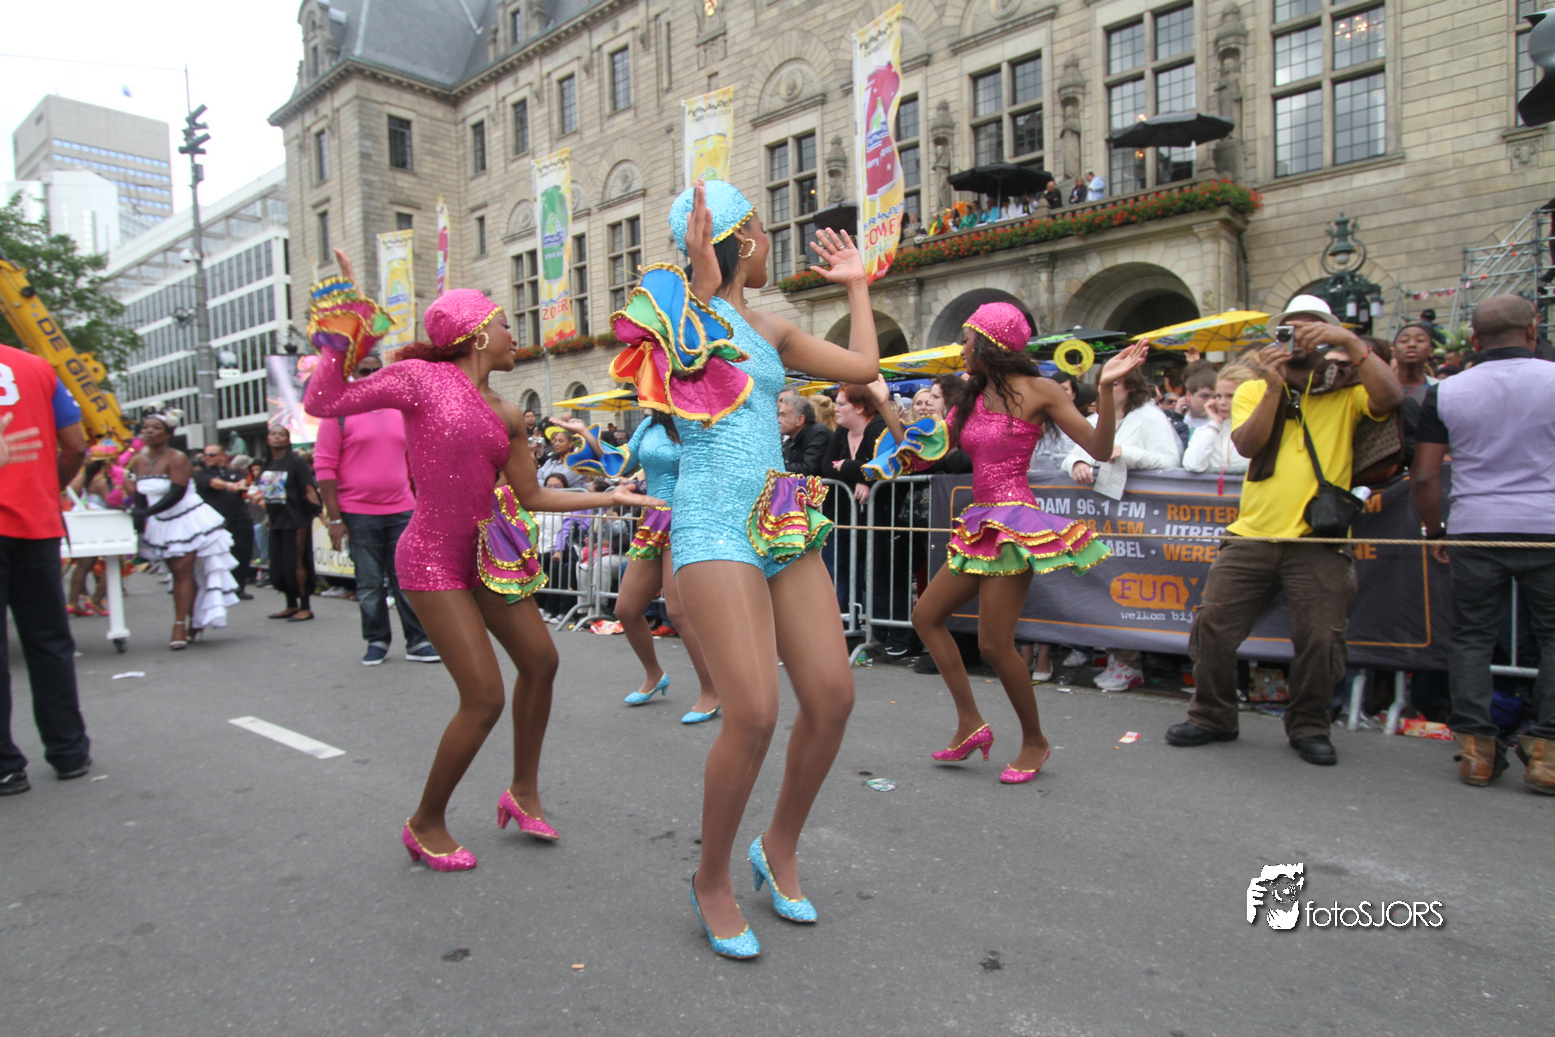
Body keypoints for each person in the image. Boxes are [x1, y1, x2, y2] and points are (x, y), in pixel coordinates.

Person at [304, 249, 657, 872]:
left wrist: (609, 496)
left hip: (487, 556)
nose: (513, 333)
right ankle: (425, 822)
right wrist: (344, 329)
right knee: (484, 697)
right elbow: (325, 401)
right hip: (431, 560)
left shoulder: (507, 411)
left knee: (542, 662)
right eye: (503, 322)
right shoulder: (420, 380)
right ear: (473, 332)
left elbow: (533, 495)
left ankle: (523, 792)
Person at [610, 179, 885, 959]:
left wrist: (857, 283)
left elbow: (864, 363)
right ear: (743, 241)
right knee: (755, 712)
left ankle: (779, 844)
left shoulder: (772, 326)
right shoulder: (677, 318)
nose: (772, 241)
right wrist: (699, 280)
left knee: (831, 696)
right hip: (710, 519)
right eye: (762, 229)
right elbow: (674, 357)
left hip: (777, 515)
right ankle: (711, 878)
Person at [908, 303, 1148, 782]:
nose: (961, 348)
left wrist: (1103, 388)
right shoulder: (970, 397)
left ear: (990, 343)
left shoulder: (1040, 390)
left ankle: (1035, 741)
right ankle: (970, 723)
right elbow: (924, 456)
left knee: (995, 643)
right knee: (926, 617)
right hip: (980, 524)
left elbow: (1100, 450)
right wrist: (883, 408)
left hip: (1015, 524)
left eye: (966, 339)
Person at [1165, 294, 1403, 765]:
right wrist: (1274, 387)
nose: (1298, 338)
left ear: (1327, 334)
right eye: (1289, 329)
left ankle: (1310, 726)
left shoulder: (1348, 386)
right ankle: (1212, 716)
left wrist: (1350, 342)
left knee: (1320, 639)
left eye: (1311, 328)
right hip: (1252, 533)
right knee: (1212, 627)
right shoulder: (1255, 387)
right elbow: (1248, 445)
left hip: (1318, 537)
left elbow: (1392, 398)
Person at [1411, 295, 1555, 792]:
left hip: (1475, 526)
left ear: (1473, 339)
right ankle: (1547, 753)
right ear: (1532, 332)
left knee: (1471, 637)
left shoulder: (1447, 391)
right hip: (1548, 526)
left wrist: (1435, 531)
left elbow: (1424, 476)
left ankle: (1477, 751)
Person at [572, 412, 721, 722]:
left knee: (679, 611)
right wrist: (586, 434)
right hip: (653, 521)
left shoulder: (699, 419)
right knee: (626, 609)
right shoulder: (650, 424)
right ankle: (655, 674)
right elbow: (621, 464)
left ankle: (712, 691)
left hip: (688, 519)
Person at [0, 342, 91, 794]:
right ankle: (68, 750)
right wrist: (42, 488)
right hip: (35, 524)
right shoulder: (36, 367)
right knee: (49, 642)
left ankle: (5, 764)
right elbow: (76, 446)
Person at [313, 351, 438, 665]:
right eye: (364, 371)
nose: (371, 375)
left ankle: (418, 641)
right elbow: (324, 468)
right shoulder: (338, 414)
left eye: (376, 370)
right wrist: (334, 519)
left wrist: (421, 506)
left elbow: (413, 464)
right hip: (358, 513)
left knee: (407, 580)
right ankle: (377, 640)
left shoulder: (400, 411)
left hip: (402, 510)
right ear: (352, 374)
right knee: (369, 583)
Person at [129, 412, 240, 648]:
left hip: (187, 519)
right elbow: (139, 493)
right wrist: (138, 521)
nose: (149, 432)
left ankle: (180, 625)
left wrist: (146, 512)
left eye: (156, 428)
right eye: (146, 427)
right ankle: (193, 619)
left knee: (183, 571)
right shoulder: (138, 460)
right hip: (161, 522)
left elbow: (176, 493)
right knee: (179, 573)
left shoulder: (177, 457)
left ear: (168, 433)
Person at [824, 382, 888, 616]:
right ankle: (847, 620)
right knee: (843, 571)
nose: (835, 408)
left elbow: (884, 467)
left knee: (877, 576)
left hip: (878, 518)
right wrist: (860, 476)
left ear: (860, 408)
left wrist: (852, 469)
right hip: (846, 514)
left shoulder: (878, 428)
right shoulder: (842, 431)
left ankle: (881, 628)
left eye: (841, 404)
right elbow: (826, 467)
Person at [257, 425, 320, 622]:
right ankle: (290, 604)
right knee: (280, 564)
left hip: (296, 519)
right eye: (273, 434)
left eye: (281, 434)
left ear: (287, 439)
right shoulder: (267, 462)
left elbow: (309, 490)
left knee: (296, 562)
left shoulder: (296, 462)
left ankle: (305, 607)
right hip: (276, 519)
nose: (277, 437)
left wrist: (323, 516)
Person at [193, 441, 255, 600]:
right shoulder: (201, 474)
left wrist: (239, 484)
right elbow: (214, 483)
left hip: (239, 518)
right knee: (216, 556)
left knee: (242, 553)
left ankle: (239, 588)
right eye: (206, 454)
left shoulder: (235, 472)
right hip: (215, 524)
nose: (208, 457)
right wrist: (230, 486)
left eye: (212, 454)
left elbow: (243, 482)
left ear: (223, 456)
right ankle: (216, 588)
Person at [1182, 364, 1256, 476]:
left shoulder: (1262, 428)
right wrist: (1214, 425)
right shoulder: (1207, 430)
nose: (1222, 402)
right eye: (1218, 396)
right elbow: (1192, 465)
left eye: (1230, 396)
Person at [779, 393, 831, 476]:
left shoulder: (819, 434)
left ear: (800, 420)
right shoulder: (790, 441)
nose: (778, 420)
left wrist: (777, 467)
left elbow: (809, 470)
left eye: (783, 415)